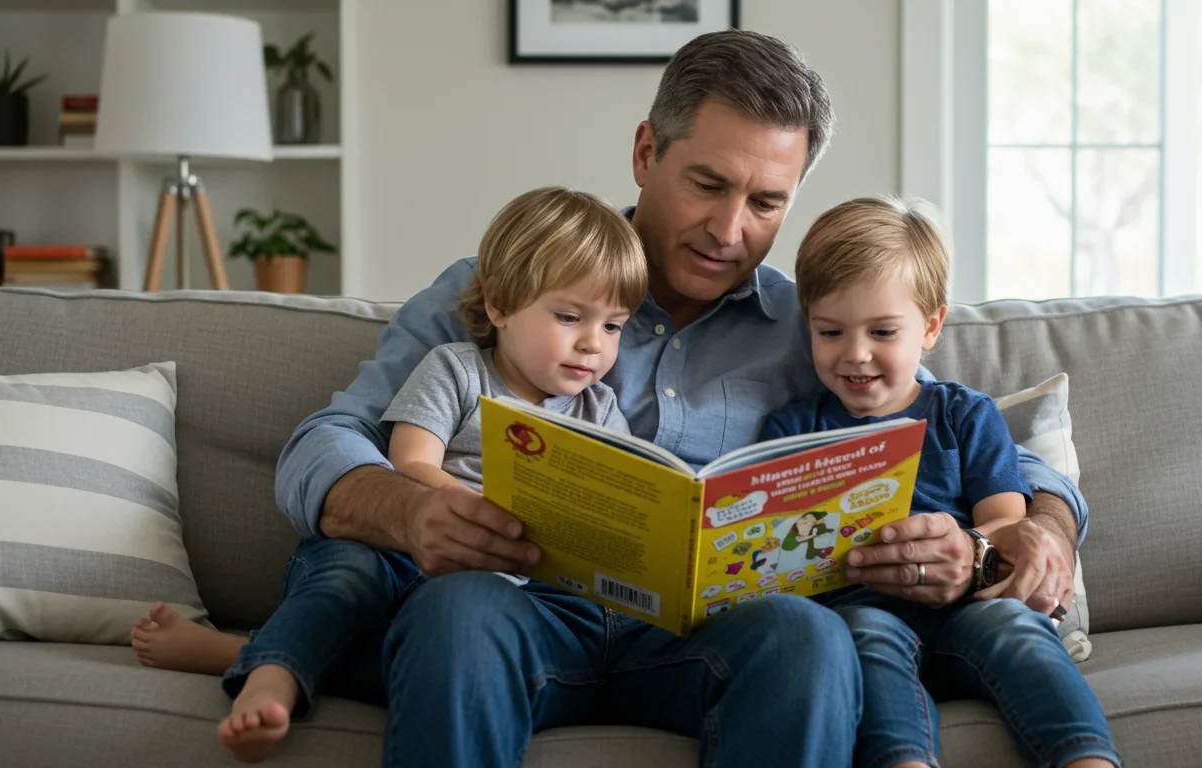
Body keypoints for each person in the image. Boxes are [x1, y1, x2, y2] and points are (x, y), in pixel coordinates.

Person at [140, 29, 1087, 766]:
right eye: (706, 184)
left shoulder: (818, 329)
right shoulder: (507, 284)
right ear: (645, 152)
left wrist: (1039, 526)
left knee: (807, 637)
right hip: (516, 614)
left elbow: (975, 436)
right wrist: (413, 508)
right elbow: (324, 442)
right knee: (456, 610)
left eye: (766, 203)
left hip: (695, 637)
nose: (729, 230)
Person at [132, 186, 646, 763]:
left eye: (615, 327)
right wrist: (472, 512)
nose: (592, 345)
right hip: (399, 552)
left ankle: (240, 651)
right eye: (570, 317)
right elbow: (411, 460)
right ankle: (271, 677)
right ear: (500, 305)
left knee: (434, 648)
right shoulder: (456, 369)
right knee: (346, 574)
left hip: (496, 599)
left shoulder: (599, 410)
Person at [762, 196, 1119, 768]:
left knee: (1016, 628)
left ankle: (1086, 759)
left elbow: (1005, 520)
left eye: (882, 331)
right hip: (861, 612)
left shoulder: (963, 415)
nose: (855, 354)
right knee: (867, 640)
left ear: (930, 327)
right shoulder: (793, 428)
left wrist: (984, 546)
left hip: (970, 606)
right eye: (830, 332)